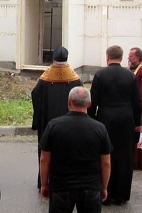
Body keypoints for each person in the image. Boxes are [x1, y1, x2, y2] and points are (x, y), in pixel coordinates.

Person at [39, 87, 112, 213]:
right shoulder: (100, 129)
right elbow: (106, 163)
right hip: (91, 187)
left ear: (68, 102)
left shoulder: (53, 126)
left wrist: (44, 184)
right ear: (89, 104)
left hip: (61, 186)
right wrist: (104, 187)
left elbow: (44, 159)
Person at [88, 45, 141, 205]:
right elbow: (137, 102)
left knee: (105, 155)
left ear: (107, 57)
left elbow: (93, 100)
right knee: (125, 156)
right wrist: (137, 123)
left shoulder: (100, 74)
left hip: (106, 119)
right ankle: (122, 194)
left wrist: (91, 120)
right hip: (126, 120)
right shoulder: (130, 75)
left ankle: (106, 193)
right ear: (121, 57)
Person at [31, 46, 82, 188]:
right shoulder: (75, 78)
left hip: (48, 122)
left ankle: (44, 181)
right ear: (67, 58)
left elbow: (35, 96)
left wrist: (38, 119)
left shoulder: (45, 78)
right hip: (71, 123)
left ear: (53, 58)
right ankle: (67, 180)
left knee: (46, 152)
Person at [127, 47, 142, 170]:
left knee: (139, 132)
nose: (128, 59)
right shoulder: (136, 69)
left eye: (131, 57)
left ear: (138, 57)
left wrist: (138, 110)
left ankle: (140, 161)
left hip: (139, 108)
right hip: (135, 106)